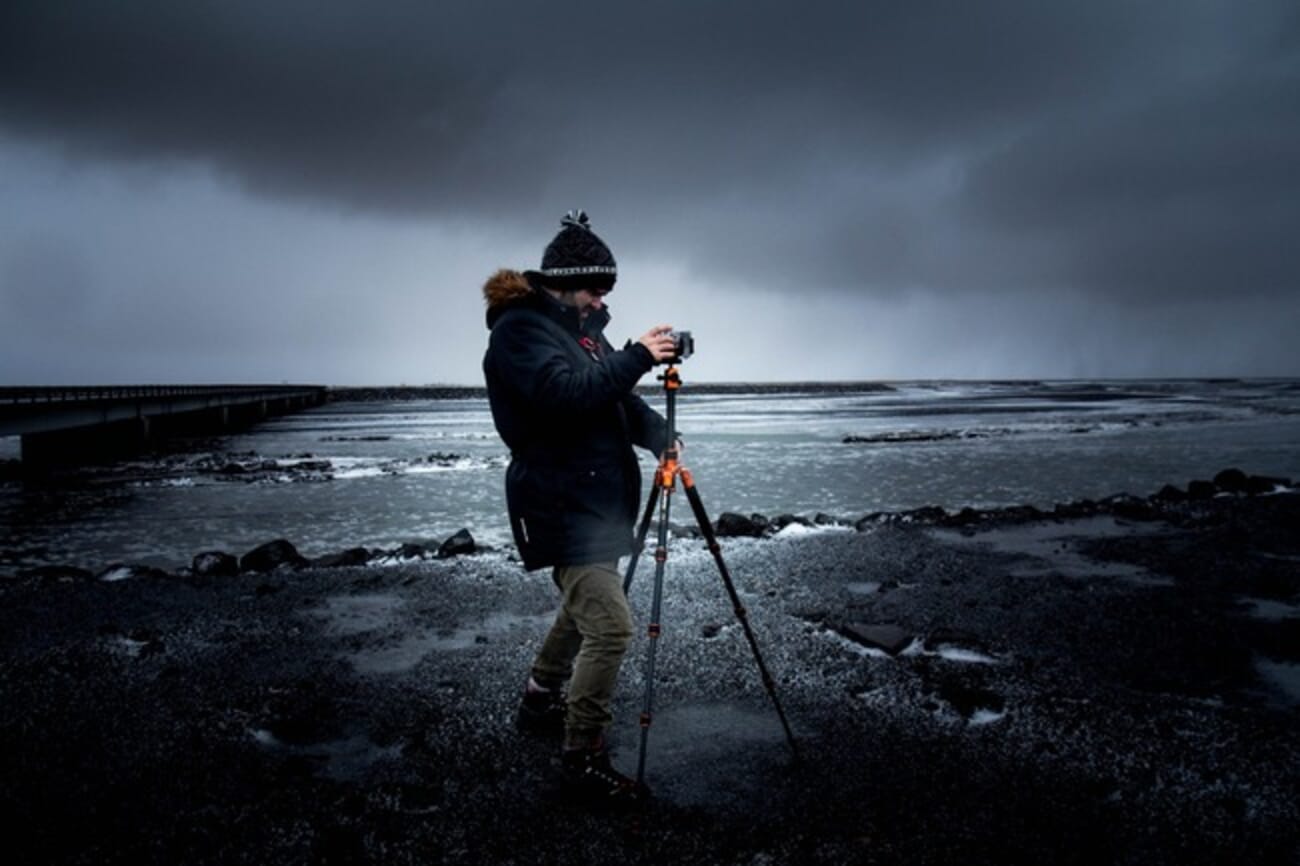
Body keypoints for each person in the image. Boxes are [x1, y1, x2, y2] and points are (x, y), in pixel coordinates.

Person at [480, 210, 678, 803]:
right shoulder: (520, 331)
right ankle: (582, 755)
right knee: (612, 627)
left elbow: (612, 401)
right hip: (560, 502)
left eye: (606, 291)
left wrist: (661, 438)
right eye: (595, 288)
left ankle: (540, 699)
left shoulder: (582, 332)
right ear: (562, 283)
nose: (600, 300)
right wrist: (639, 355)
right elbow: (566, 397)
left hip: (596, 501)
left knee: (584, 608)